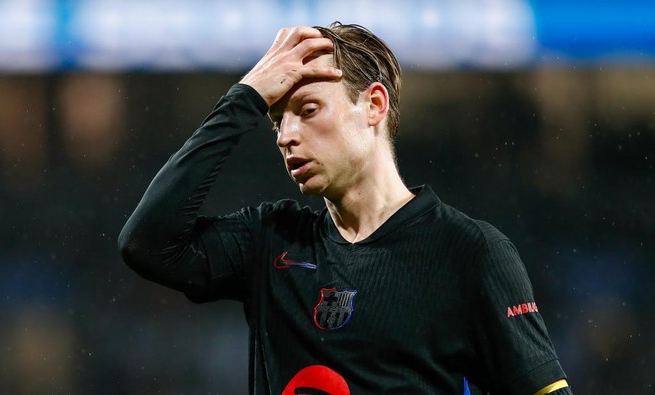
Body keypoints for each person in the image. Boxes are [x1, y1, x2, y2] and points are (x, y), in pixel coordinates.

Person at [118, 22, 571, 394]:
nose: (285, 135)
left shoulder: (470, 252)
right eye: (276, 120)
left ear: (373, 105)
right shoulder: (272, 240)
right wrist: (246, 96)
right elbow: (146, 243)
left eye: (308, 109)